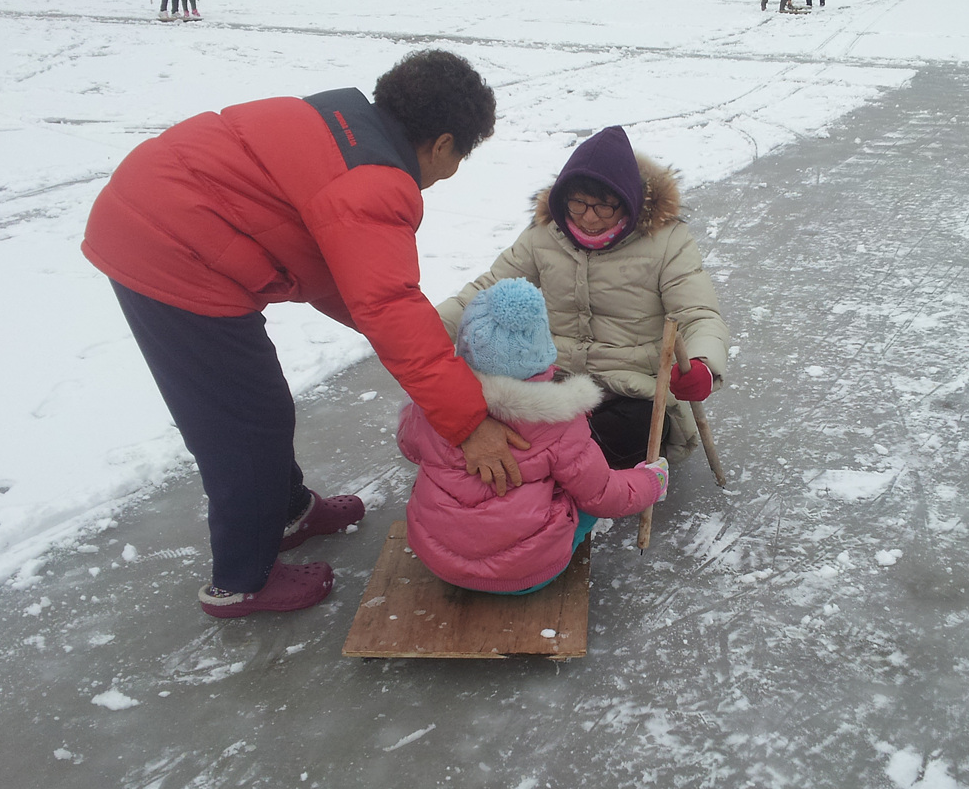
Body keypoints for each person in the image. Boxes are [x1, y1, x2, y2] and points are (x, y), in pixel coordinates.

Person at [82, 50, 526, 618]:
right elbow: (387, 305)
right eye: (461, 154)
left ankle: (287, 512)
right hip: (170, 248)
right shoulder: (374, 184)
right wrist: (467, 423)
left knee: (260, 404)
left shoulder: (343, 126)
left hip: (166, 214)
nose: (454, 169)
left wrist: (438, 348)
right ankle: (242, 581)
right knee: (244, 424)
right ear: (442, 144)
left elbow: (354, 285)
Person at [437, 126, 729, 471]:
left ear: (629, 201)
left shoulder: (667, 242)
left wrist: (703, 363)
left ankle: (542, 472)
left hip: (630, 389)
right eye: (577, 203)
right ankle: (541, 473)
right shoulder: (544, 235)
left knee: (624, 433)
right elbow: (486, 291)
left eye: (605, 206)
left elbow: (698, 314)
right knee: (474, 416)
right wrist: (429, 325)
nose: (589, 217)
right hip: (549, 382)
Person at [399, 279, 668, 594]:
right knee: (580, 499)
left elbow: (409, 446)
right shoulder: (558, 423)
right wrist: (650, 482)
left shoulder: (433, 407)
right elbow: (602, 494)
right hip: (523, 577)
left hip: (439, 560)